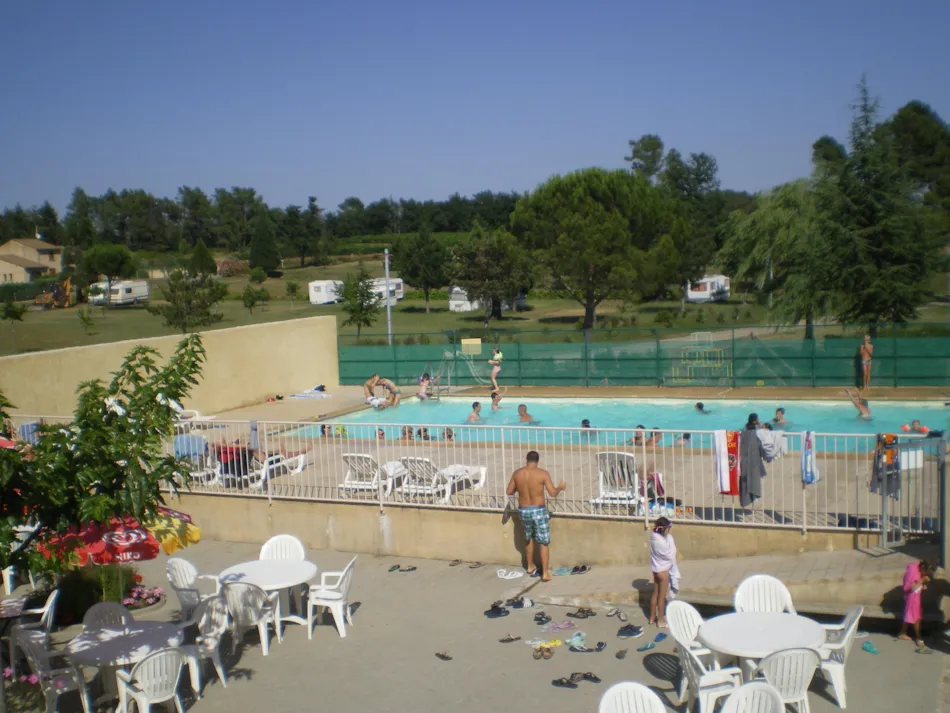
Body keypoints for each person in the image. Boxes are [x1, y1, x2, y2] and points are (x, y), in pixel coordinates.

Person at [505, 451, 566, 582]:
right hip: (538, 510)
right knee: (543, 541)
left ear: (526, 460)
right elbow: (552, 493)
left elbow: (509, 491)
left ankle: (530, 566)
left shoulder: (518, 473)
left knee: (528, 537)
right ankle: (544, 573)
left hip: (524, 510)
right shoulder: (542, 474)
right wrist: (560, 487)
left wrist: (520, 487)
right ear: (537, 461)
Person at [899, 558, 936, 649]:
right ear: (923, 569)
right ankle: (919, 638)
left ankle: (902, 633)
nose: (925, 574)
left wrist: (921, 587)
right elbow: (909, 587)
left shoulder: (916, 567)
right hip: (912, 598)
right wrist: (922, 580)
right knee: (916, 618)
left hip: (914, 596)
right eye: (926, 572)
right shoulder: (913, 572)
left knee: (909, 615)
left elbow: (915, 585)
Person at [649, 517, 676, 627]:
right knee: (662, 596)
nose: (668, 531)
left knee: (655, 594)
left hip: (655, 570)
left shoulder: (652, 537)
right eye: (668, 529)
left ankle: (651, 617)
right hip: (663, 571)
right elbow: (669, 556)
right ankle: (660, 620)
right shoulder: (661, 542)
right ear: (663, 529)